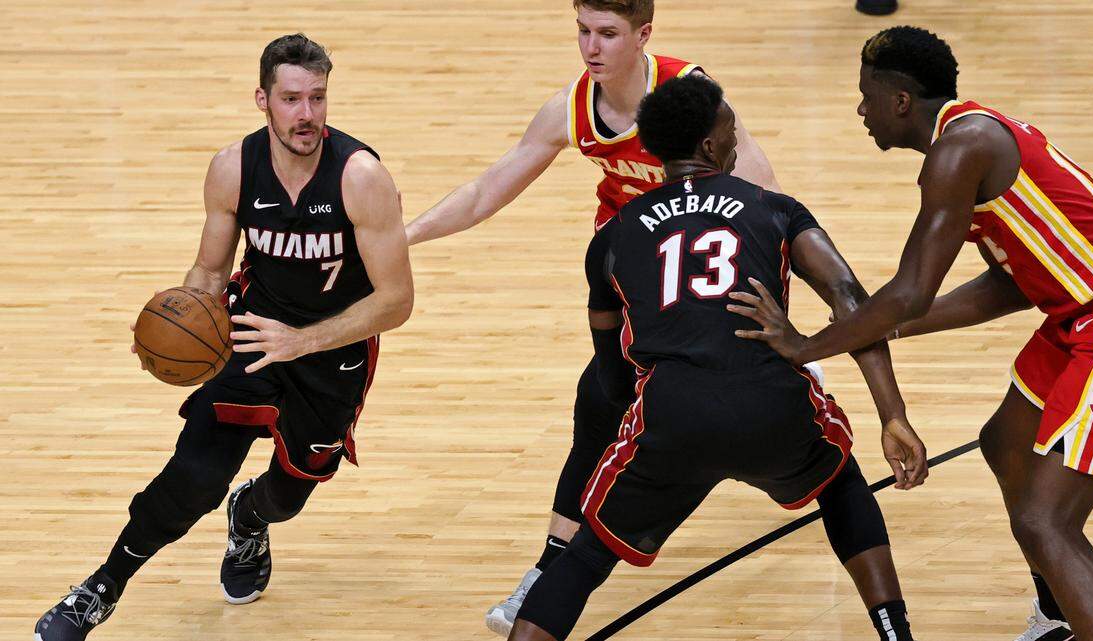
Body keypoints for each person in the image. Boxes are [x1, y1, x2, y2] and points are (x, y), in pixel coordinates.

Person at [731, 25, 1093, 641]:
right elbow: (1010, 284)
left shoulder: (959, 149)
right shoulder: (972, 136)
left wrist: (806, 345)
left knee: (1045, 523)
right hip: (1075, 313)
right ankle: (1058, 617)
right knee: (1005, 443)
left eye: (867, 95)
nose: (860, 109)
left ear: (900, 101)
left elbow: (908, 291)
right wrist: (892, 329)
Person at [505, 73, 928, 641]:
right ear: (709, 145)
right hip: (771, 404)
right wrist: (892, 415)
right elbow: (851, 301)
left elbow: (610, 368)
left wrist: (665, 427)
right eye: (731, 129)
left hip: (672, 415)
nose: (736, 139)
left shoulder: (614, 235)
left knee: (584, 556)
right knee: (839, 478)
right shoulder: (776, 209)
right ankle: (894, 631)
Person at [402, 1, 780, 633]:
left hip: (694, 260)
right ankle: (549, 570)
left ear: (644, 36)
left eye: (608, 33)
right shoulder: (571, 109)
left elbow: (762, 193)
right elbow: (486, 189)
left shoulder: (690, 94)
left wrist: (768, 308)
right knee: (599, 403)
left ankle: (786, 420)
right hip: (626, 264)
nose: (591, 47)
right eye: (583, 31)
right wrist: (405, 237)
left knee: (684, 406)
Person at [34, 34, 413, 641]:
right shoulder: (233, 168)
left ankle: (250, 516)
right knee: (193, 476)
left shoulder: (360, 177)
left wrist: (301, 341)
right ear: (262, 99)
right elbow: (211, 271)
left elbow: (396, 302)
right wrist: (177, 320)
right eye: (292, 99)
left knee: (288, 497)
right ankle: (100, 588)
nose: (307, 114)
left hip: (332, 355)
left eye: (317, 98)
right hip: (249, 336)